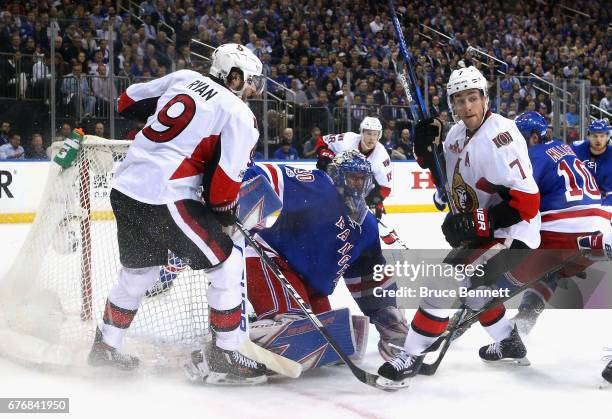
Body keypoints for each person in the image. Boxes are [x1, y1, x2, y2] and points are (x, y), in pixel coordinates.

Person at [87, 43, 269, 385]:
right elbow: (224, 186)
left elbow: (127, 101)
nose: (252, 89)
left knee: (139, 272)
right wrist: (224, 213)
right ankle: (224, 353)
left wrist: (176, 134)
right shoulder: (239, 113)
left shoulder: (184, 78)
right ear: (234, 76)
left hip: (126, 188)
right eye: (250, 81)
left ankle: (106, 347)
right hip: (165, 197)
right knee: (226, 262)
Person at [377, 66, 541, 389]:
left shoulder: (500, 137)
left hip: (513, 234)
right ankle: (509, 341)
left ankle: (411, 355)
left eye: (472, 99)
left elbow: (528, 203)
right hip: (484, 233)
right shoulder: (454, 135)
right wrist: (426, 154)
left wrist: (478, 220)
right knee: (476, 293)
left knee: (443, 281)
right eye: (459, 101)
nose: (467, 107)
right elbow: (448, 184)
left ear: (485, 98)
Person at [242, 151, 407, 363]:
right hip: (269, 262)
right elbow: (265, 172)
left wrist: (390, 321)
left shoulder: (368, 227)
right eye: (352, 177)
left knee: (334, 341)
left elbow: (367, 277)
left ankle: (264, 324)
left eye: (362, 180)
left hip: (310, 288)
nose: (358, 185)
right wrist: (233, 196)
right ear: (337, 176)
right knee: (296, 332)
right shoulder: (318, 187)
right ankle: (229, 343)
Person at [508, 112, 611, 334]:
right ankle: (523, 323)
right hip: (598, 231)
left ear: (534, 137)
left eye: (519, 138)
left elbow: (521, 201)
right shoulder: (563, 146)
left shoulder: (532, 156)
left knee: (508, 263)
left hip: (566, 230)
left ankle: (463, 316)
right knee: (551, 271)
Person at [315, 116, 392, 220]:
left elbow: (385, 188)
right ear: (362, 133)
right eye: (369, 133)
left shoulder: (382, 156)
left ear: (379, 135)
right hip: (338, 180)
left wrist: (375, 201)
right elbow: (323, 141)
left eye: (375, 134)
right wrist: (326, 159)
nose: (372, 138)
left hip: (359, 188)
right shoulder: (347, 139)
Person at [572, 119, 611, 212]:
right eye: (595, 136)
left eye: (602, 136)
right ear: (588, 136)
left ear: (607, 137)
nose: (598, 140)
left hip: (604, 201)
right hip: (578, 198)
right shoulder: (576, 149)